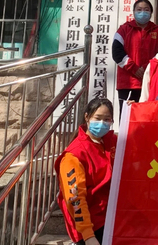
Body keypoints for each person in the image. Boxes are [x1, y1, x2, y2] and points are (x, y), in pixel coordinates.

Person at [55, 98, 117, 245]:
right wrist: (88, 235)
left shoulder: (111, 143)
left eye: (107, 119)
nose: (102, 123)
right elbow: (75, 197)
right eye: (98, 118)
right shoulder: (74, 155)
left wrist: (133, 112)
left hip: (111, 218)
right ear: (87, 117)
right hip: (92, 226)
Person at [111, 0, 158, 110]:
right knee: (126, 115)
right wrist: (134, 68)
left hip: (149, 81)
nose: (142, 12)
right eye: (139, 10)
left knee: (146, 113)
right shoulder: (124, 29)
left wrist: (147, 68)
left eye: (146, 10)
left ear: (151, 13)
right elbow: (117, 53)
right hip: (127, 83)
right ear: (133, 12)